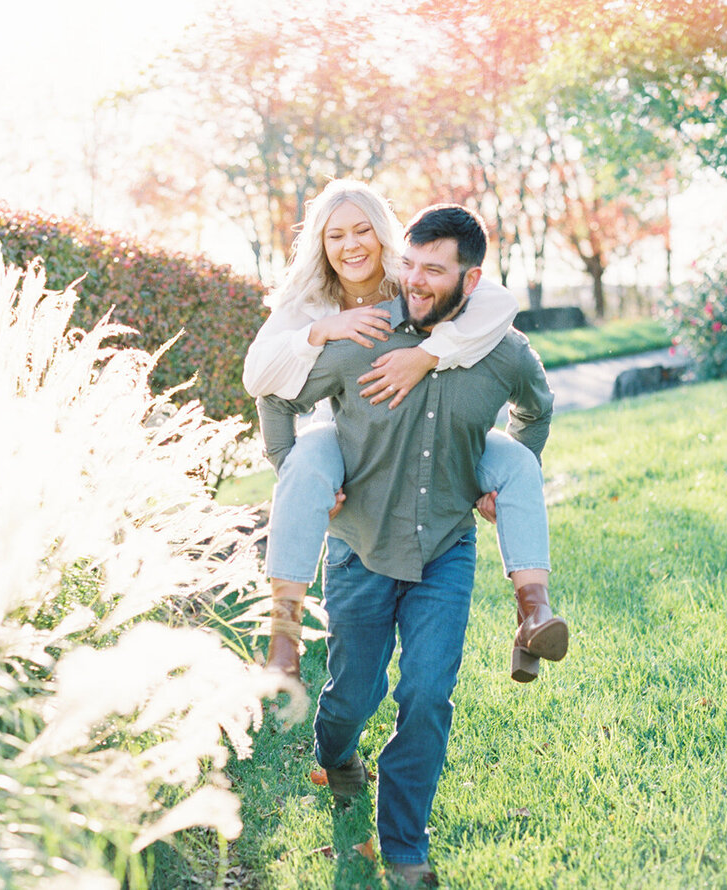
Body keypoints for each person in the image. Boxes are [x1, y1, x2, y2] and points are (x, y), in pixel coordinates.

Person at [258, 204, 558, 885]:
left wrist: (499, 481)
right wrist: (295, 473)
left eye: (435, 271)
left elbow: (536, 408)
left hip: (445, 551)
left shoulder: (503, 351)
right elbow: (275, 395)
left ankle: (403, 845)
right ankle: (335, 752)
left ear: (470, 279)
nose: (417, 282)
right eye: (411, 266)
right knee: (351, 698)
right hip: (360, 546)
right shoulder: (364, 338)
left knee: (426, 694)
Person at [243, 179, 566, 684]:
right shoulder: (308, 301)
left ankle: (534, 613)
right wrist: (319, 331)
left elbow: (497, 304)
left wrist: (423, 356)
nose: (351, 245)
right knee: (305, 463)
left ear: (383, 233)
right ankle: (282, 637)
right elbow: (261, 381)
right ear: (320, 245)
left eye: (363, 230)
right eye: (335, 236)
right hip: (349, 434)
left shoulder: (409, 274)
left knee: (520, 465)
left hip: (443, 440)